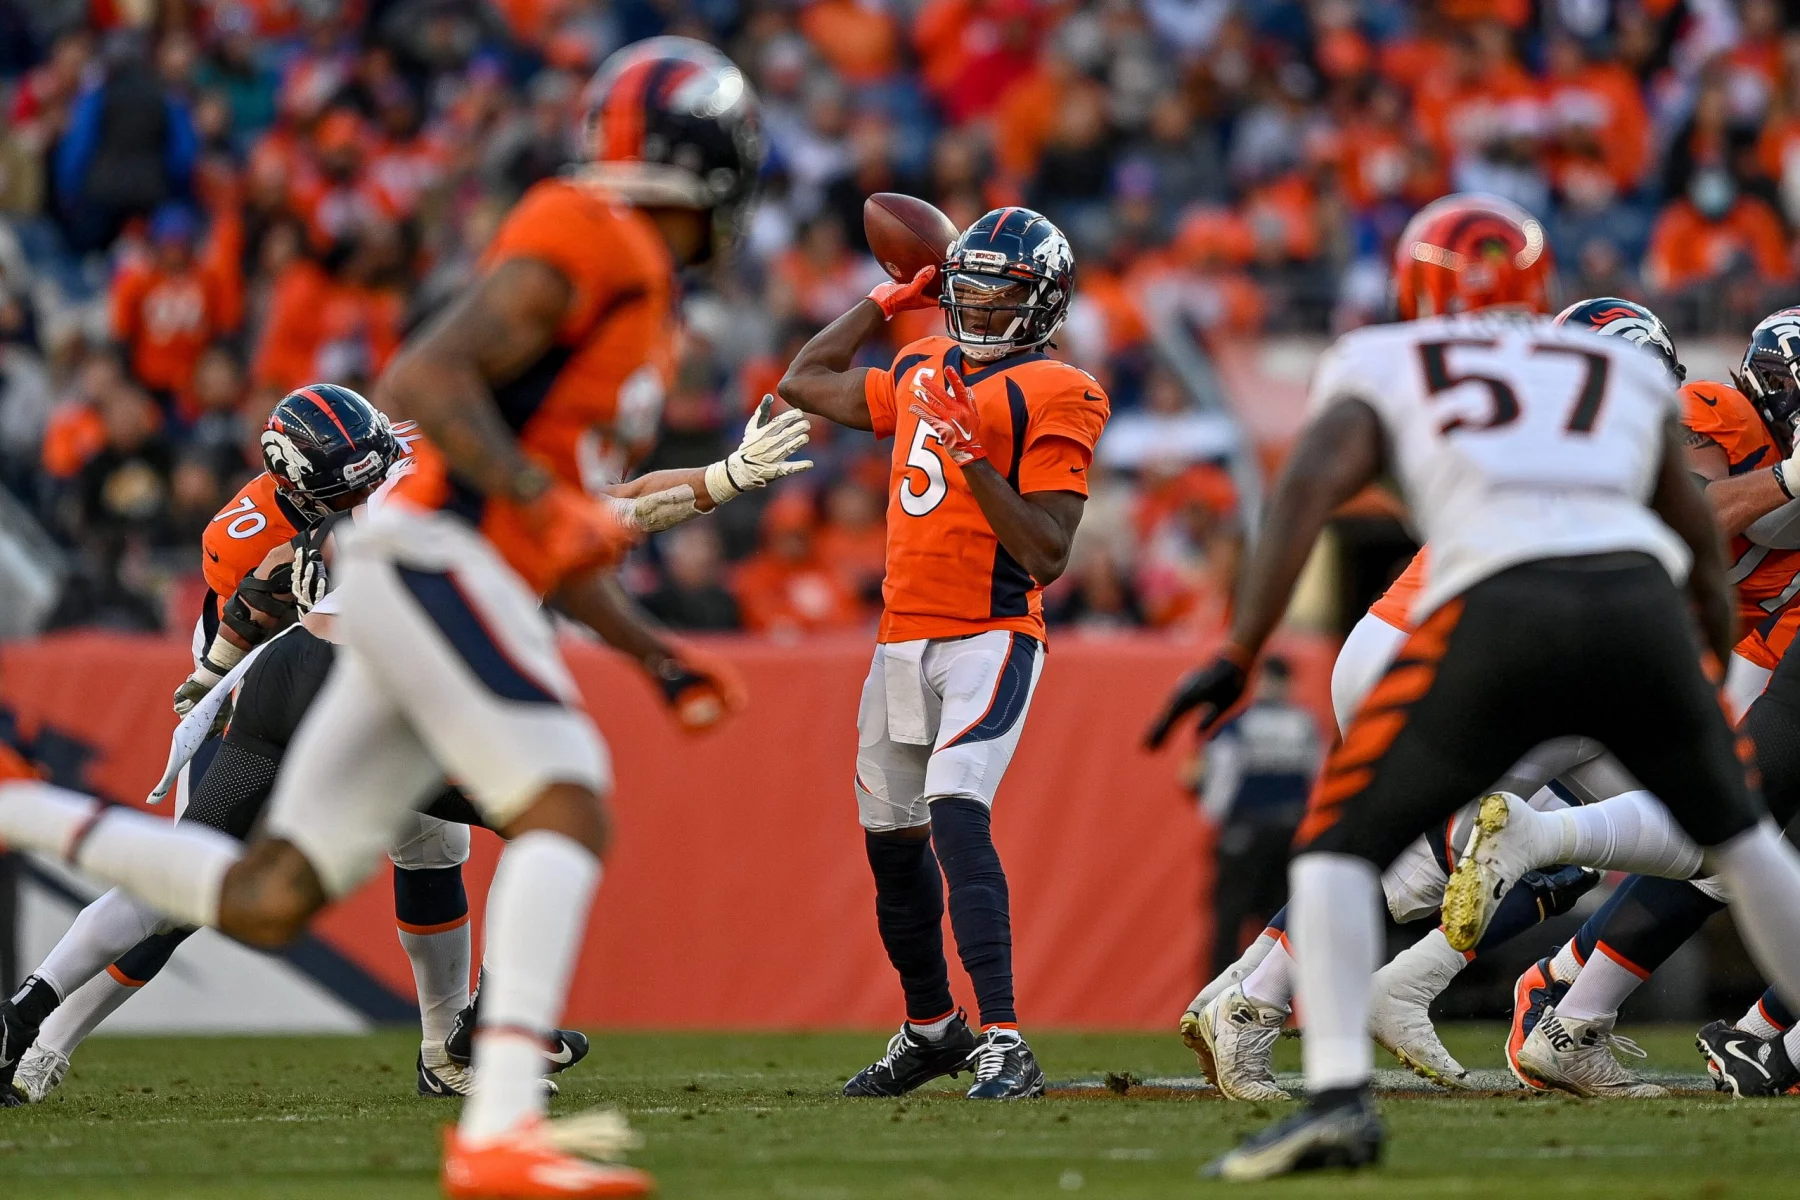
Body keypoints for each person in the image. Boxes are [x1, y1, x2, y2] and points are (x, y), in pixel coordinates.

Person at [0, 37, 767, 1199]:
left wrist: (655, 655)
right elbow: (426, 377)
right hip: (422, 578)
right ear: (696, 163)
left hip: (390, 611)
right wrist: (533, 501)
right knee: (563, 804)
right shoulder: (588, 233)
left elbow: (564, 534)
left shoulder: (630, 284)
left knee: (270, 896)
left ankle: (27, 814)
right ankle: (493, 1108)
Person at [1146, 192, 1800, 1180]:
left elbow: (1308, 488)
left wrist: (1241, 648)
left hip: (1480, 629)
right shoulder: (1649, 394)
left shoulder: (1387, 359)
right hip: (1529, 631)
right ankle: (1279, 998)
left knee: (1405, 842)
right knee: (1700, 839)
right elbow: (1692, 522)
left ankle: (1302, 1024)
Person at [778, 205, 1110, 1100]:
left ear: (1044, 303)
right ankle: (931, 1030)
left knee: (957, 808)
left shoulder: (1062, 389)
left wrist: (972, 458)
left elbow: (1047, 551)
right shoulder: (922, 361)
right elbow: (804, 381)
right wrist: (886, 301)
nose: (981, 303)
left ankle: (1004, 1037)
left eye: (1002, 290)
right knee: (892, 846)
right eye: (969, 285)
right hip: (899, 639)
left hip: (988, 634)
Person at [1502, 305, 1800, 1098]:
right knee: (1728, 829)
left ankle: (1584, 991)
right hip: (1618, 639)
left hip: (1741, 644)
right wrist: (1785, 478)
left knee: (1738, 841)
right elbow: (1688, 513)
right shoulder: (1717, 413)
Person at [1189, 657, 1319, 979]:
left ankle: (1219, 993)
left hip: (1245, 830)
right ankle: (1273, 996)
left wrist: (1217, 820)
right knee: (1278, 919)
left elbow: (1219, 788)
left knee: (1230, 918)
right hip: (1291, 831)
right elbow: (1318, 778)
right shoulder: (1305, 724)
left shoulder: (1239, 725)